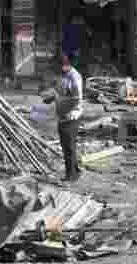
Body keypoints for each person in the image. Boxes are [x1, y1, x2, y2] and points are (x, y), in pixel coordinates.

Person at [45, 54, 83, 182]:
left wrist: (63, 106)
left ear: (64, 65)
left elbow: (77, 99)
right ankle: (75, 170)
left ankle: (71, 175)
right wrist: (51, 99)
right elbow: (59, 92)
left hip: (71, 116)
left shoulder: (74, 77)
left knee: (68, 146)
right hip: (62, 115)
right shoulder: (62, 75)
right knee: (66, 145)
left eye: (56, 67)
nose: (55, 70)